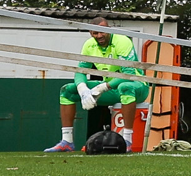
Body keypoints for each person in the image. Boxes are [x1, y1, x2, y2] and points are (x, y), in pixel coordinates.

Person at [44, 17, 149, 153]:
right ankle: (67, 142)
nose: (99, 36)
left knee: (125, 87)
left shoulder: (122, 41)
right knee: (67, 90)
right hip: (111, 87)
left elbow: (127, 73)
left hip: (137, 85)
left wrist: (102, 88)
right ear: (90, 33)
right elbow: (81, 71)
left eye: (102, 32)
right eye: (95, 33)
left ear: (109, 30)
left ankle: (127, 141)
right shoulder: (89, 45)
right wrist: (82, 89)